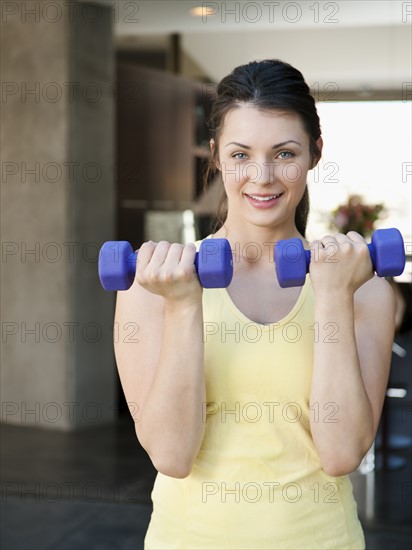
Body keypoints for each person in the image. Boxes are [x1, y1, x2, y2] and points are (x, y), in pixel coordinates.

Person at [114, 59, 396, 549]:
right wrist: (184, 306)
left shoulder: (363, 289)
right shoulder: (150, 285)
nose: (262, 176)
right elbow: (172, 455)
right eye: (241, 155)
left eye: (284, 153)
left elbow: (342, 453)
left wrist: (331, 297)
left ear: (314, 154)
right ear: (216, 157)